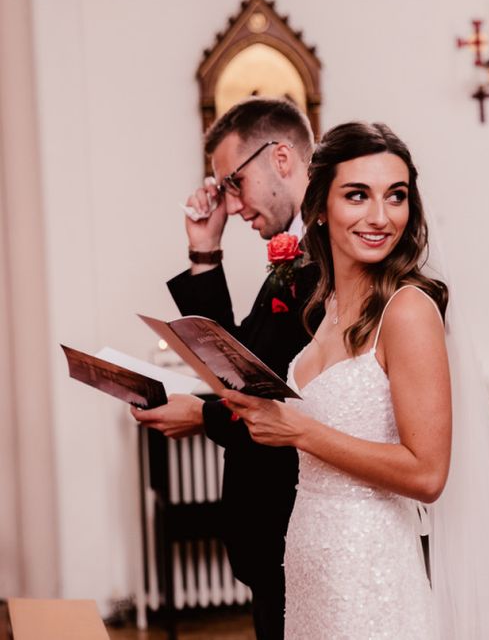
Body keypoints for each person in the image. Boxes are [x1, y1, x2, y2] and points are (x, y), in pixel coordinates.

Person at [220, 122, 489, 638]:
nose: (380, 217)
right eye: (357, 195)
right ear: (319, 207)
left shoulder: (408, 311)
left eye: (396, 196)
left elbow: (427, 474)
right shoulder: (326, 307)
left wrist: (297, 430)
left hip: (373, 570)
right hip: (312, 561)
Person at [131, 97, 320, 640]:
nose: (232, 206)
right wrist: (204, 252)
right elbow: (241, 366)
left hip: (299, 526)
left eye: (233, 183)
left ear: (280, 158)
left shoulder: (330, 255)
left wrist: (203, 417)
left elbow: (294, 398)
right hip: (272, 535)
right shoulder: (295, 252)